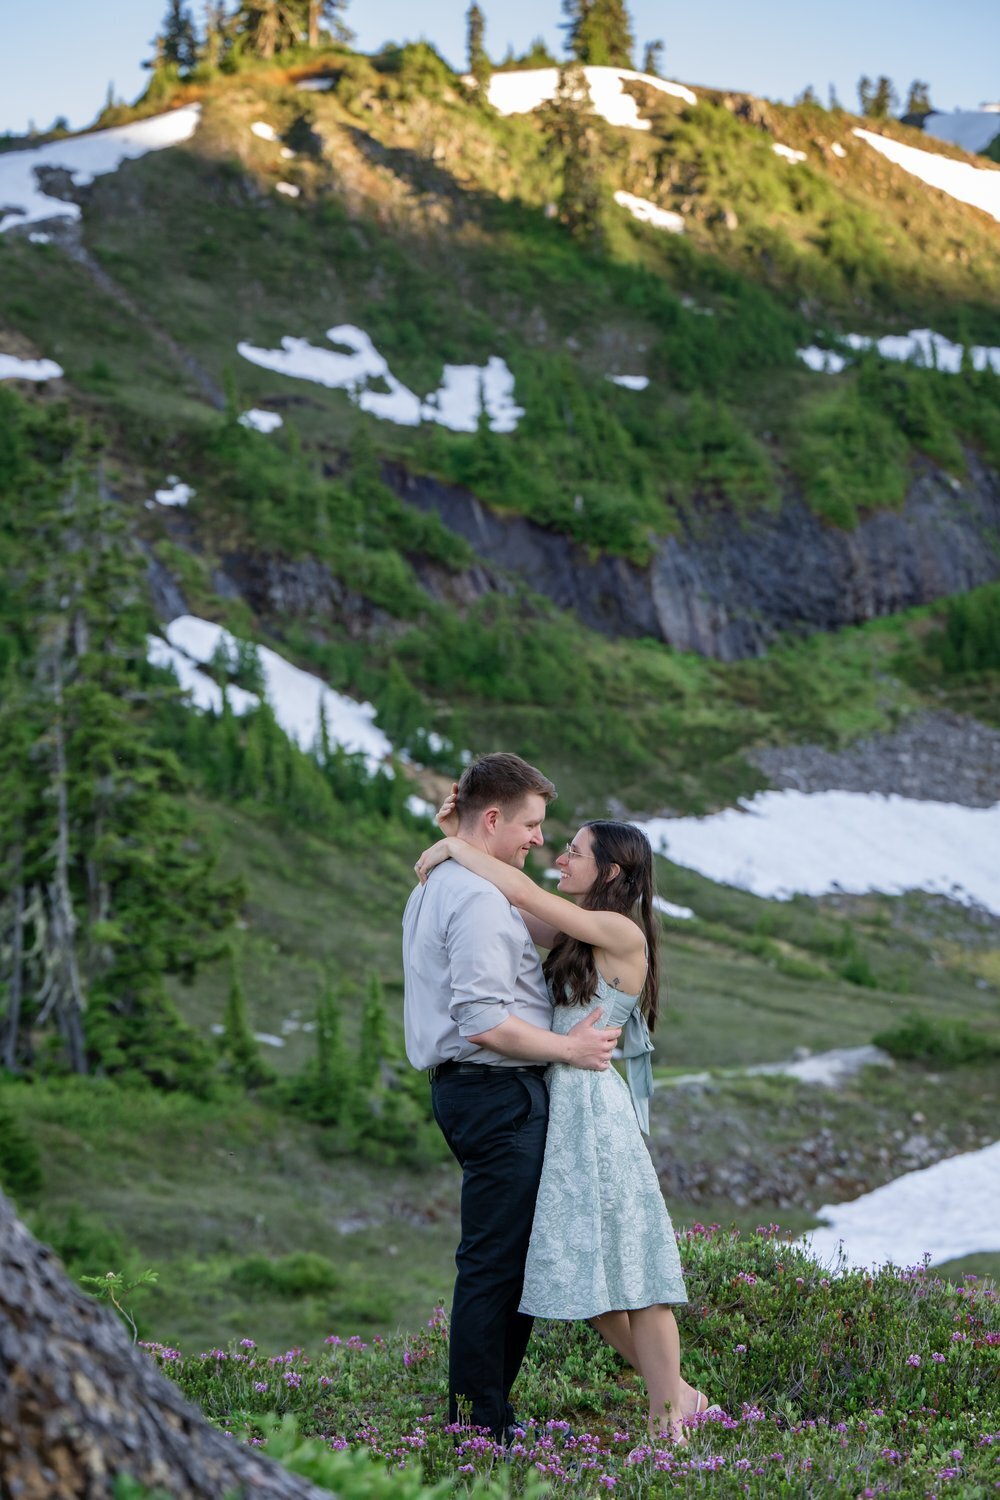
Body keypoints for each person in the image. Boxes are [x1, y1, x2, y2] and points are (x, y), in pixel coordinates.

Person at [415, 808, 711, 1444]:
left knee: (636, 1269)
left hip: (594, 1111)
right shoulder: (577, 935)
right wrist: (461, 837)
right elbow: (502, 901)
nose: (559, 858)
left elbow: (519, 890)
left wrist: (450, 846)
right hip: (559, 1105)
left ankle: (668, 1423)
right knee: (586, 1275)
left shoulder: (617, 930)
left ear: (609, 870)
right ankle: (680, 1393)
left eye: (574, 851)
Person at [402, 753, 623, 1445]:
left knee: (510, 1257)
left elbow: (546, 919)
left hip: (487, 1095)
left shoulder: (458, 881)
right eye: (529, 824)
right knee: (496, 1261)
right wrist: (569, 1050)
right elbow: (483, 1022)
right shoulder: (469, 896)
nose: (537, 838)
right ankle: (478, 1425)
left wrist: (456, 838)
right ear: (492, 818)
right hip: (496, 1094)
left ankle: (490, 1413)